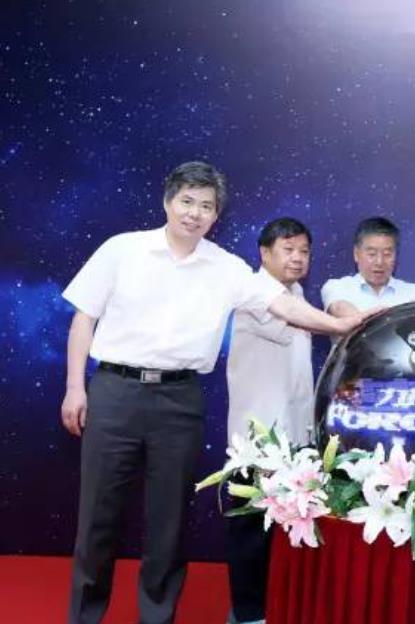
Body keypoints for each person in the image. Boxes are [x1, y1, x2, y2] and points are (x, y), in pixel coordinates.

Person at [60, 162, 361, 624]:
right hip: (115, 392)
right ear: (167, 201)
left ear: (216, 215)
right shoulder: (123, 249)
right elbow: (84, 318)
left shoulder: (227, 268)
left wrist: (339, 325)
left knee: (169, 522)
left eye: (206, 206)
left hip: (179, 400)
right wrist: (74, 387)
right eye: (187, 201)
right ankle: (84, 616)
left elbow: (283, 305)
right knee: (98, 517)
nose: (194, 213)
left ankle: (157, 617)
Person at [224, 217, 316, 624]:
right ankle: (248, 614)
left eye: (304, 251)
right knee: (251, 529)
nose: (297, 258)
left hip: (294, 434)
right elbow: (308, 321)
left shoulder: (296, 293)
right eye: (288, 250)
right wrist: (347, 322)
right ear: (264, 253)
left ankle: (279, 605)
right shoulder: (255, 291)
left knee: (289, 527)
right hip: (257, 438)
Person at [321, 216, 415, 316]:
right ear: (356, 254)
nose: (379, 262)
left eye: (387, 254)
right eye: (372, 254)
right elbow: (339, 308)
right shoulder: (337, 287)